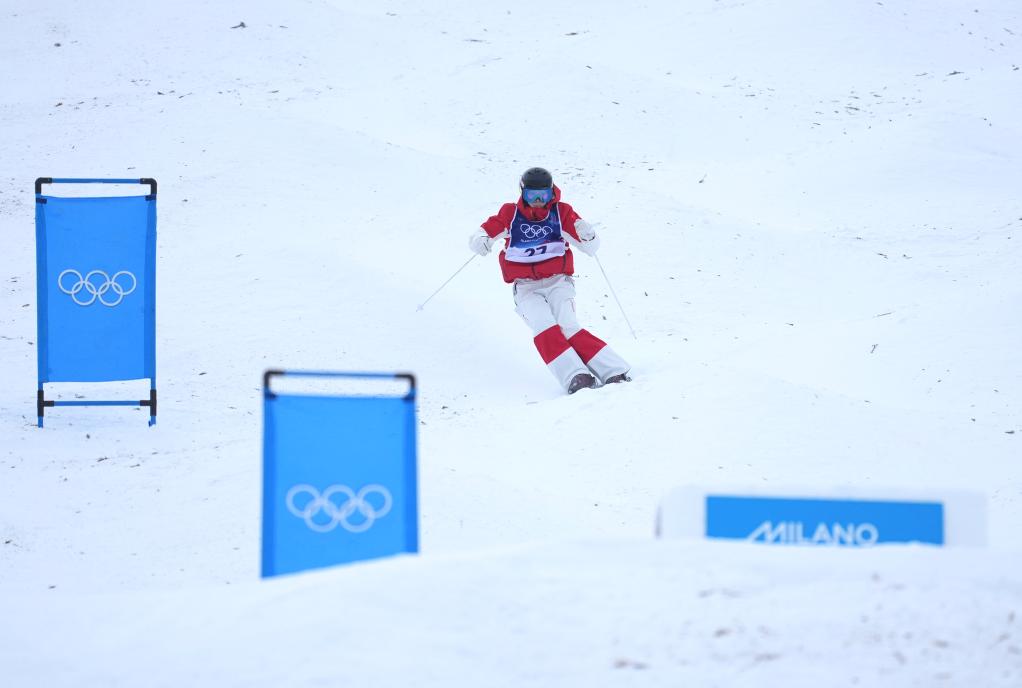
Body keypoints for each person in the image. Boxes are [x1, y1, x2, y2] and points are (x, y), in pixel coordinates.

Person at [469, 167, 631, 394]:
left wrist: (588, 235)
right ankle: (576, 376)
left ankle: (614, 370)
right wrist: (480, 240)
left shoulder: (560, 213)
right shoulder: (511, 214)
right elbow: (485, 230)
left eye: (543, 195)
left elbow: (591, 248)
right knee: (544, 326)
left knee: (567, 325)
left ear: (551, 192)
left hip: (558, 281)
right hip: (526, 287)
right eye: (531, 195)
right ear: (522, 192)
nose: (537, 201)